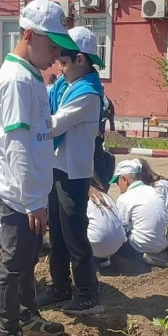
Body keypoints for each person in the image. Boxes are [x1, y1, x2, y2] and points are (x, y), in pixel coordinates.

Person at [0, 0, 79, 336]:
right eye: (52, 46)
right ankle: (6, 334)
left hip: (32, 192)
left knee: (26, 259)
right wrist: (31, 200)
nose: (56, 55)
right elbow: (17, 146)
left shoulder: (31, 77)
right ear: (28, 35)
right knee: (13, 263)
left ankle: (26, 316)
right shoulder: (14, 81)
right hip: (19, 194)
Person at [34, 26, 106, 316]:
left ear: (80, 59)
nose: (59, 68)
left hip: (73, 174)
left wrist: (28, 122)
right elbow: (44, 98)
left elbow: (54, 124)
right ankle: (60, 287)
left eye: (63, 62)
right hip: (57, 168)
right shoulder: (66, 87)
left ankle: (88, 294)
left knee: (75, 235)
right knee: (59, 236)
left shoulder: (87, 94)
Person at [111, 159, 168, 267]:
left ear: (125, 179)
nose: (117, 185)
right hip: (166, 242)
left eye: (117, 181)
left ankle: (143, 257)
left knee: (116, 241)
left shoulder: (125, 198)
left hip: (142, 245)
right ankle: (159, 253)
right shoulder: (154, 191)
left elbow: (120, 230)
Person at [87, 177, 127, 266]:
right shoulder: (105, 196)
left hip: (96, 244)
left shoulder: (81, 197)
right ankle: (103, 258)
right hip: (117, 245)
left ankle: (74, 260)